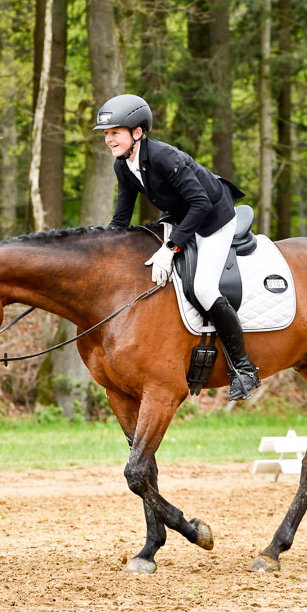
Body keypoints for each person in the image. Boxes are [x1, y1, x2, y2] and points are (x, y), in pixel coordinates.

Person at [94, 93, 260, 401]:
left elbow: (200, 203)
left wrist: (170, 248)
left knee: (204, 289)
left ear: (137, 132)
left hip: (212, 217)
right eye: (106, 134)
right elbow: (121, 218)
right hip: (181, 216)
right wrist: (100, 246)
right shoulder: (123, 165)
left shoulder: (164, 157)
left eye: (115, 132)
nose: (109, 139)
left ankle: (244, 368)